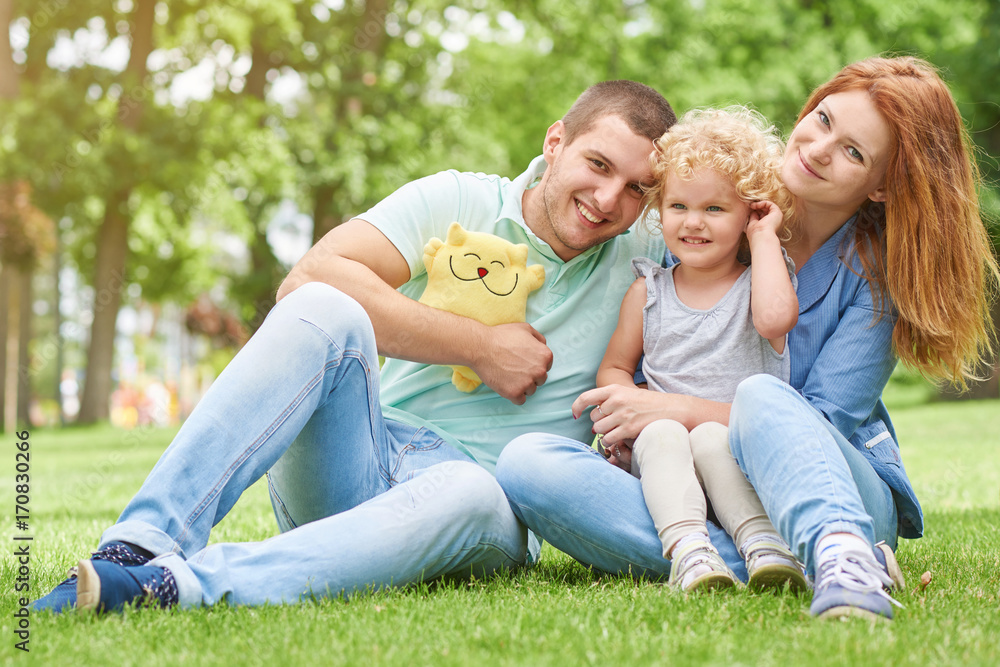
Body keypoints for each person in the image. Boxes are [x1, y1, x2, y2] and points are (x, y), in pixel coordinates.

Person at [32, 80, 677, 613]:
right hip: (358, 454)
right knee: (322, 306)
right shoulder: (458, 197)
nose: (607, 199)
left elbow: (755, 223)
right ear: (556, 142)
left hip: (476, 506)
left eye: (636, 188)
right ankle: (137, 546)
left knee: (474, 489)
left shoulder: (650, 255)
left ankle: (171, 589)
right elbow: (309, 276)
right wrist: (479, 346)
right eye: (598, 165)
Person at [496, 56, 1000, 621]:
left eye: (854, 152)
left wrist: (672, 407)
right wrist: (628, 427)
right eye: (824, 119)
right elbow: (654, 352)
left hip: (831, 487)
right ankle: (731, 555)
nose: (817, 148)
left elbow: (818, 424)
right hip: (691, 478)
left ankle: (838, 550)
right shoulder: (714, 210)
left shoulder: (873, 276)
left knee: (763, 396)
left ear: (882, 187)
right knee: (527, 463)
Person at [576, 106, 807, 593]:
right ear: (659, 210)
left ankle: (764, 544)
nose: (693, 223)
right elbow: (615, 367)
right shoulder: (649, 292)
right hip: (663, 460)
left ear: (750, 212)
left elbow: (775, 321)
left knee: (709, 438)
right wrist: (624, 406)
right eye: (679, 206)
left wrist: (763, 238)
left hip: (737, 453)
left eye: (715, 209)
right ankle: (690, 552)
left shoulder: (759, 281)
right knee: (661, 431)